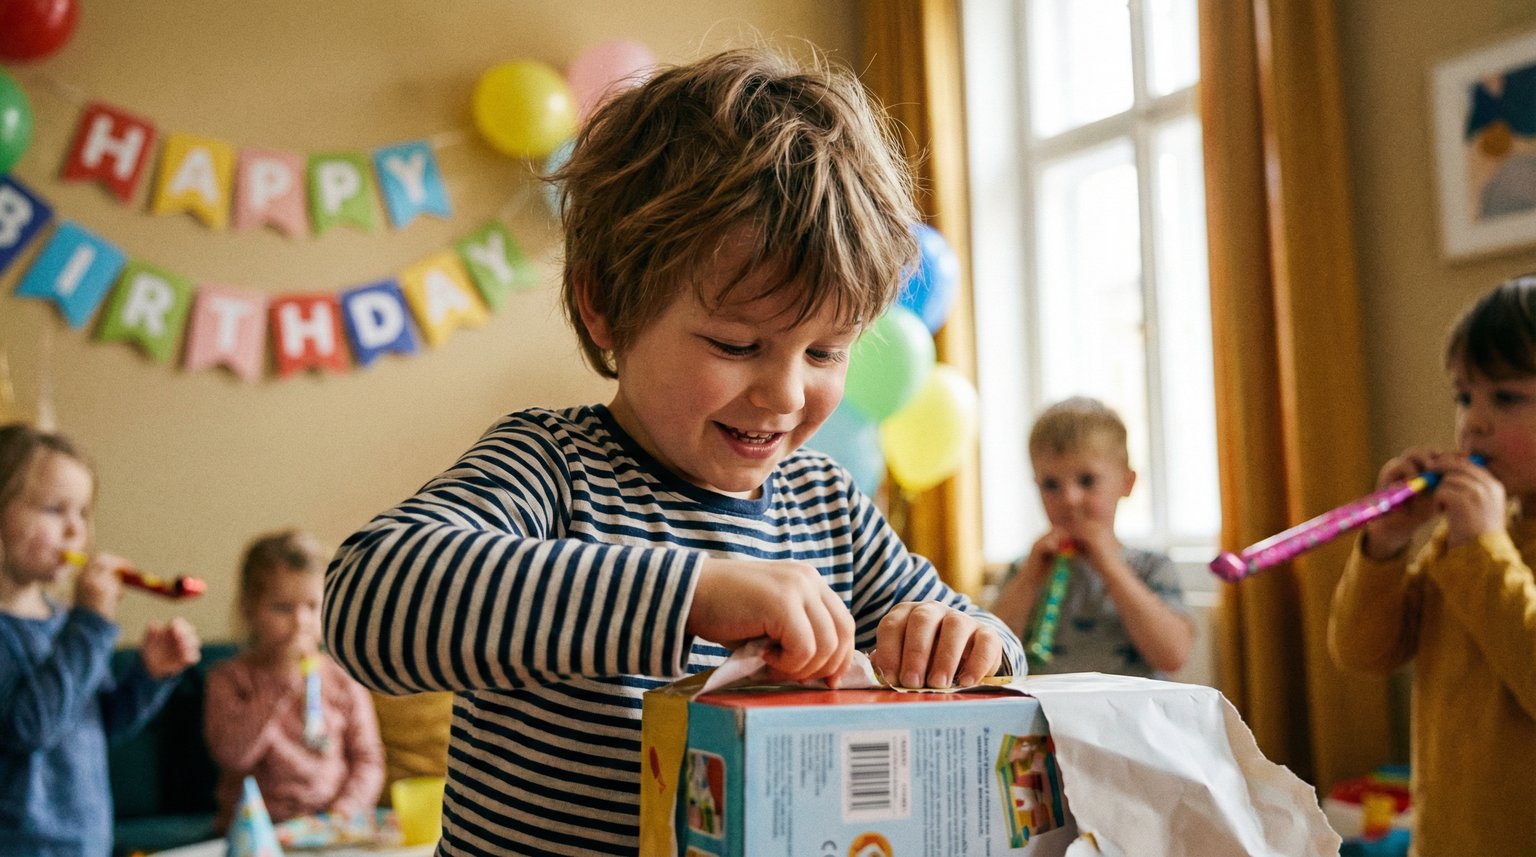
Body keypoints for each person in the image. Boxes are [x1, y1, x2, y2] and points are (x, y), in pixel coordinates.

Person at [324, 47, 1022, 855]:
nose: (786, 394)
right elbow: (366, 600)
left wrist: (964, 639)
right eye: (735, 343)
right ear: (605, 307)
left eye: (826, 353)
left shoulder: (826, 503)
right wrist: (691, 592)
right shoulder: (552, 467)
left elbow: (985, 639)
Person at [1328, 273, 1536, 856]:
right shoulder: (1468, 539)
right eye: (1465, 396)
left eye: (1507, 397)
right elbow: (1364, 652)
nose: (1474, 421)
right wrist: (1385, 546)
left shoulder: (1478, 544)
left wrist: (1485, 549)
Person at [0, 422, 201, 856]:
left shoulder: (64, 621)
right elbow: (30, 727)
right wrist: (91, 624)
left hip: (87, 841)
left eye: (83, 513)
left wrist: (149, 675)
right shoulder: (71, 628)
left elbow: (103, 721)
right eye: (55, 509)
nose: (76, 531)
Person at [989, 397, 1193, 677]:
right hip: (1045, 718)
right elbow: (989, 655)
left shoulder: (1151, 567)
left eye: (1087, 481)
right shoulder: (1024, 569)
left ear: (1126, 483)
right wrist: (1030, 576)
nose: (1069, 499)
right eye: (1051, 485)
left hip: (1129, 719)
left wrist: (1110, 567)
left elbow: (1173, 655)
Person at [205, 530, 383, 831]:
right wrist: (280, 685)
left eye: (312, 606)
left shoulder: (343, 679)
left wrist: (346, 809)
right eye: (283, 608)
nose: (300, 621)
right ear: (250, 609)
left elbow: (368, 759)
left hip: (330, 827)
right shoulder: (229, 679)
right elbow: (233, 756)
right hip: (255, 831)